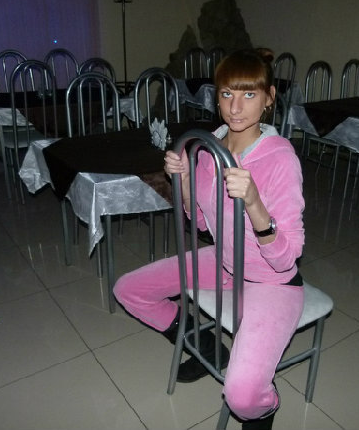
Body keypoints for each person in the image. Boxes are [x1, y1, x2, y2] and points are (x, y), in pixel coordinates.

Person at [114, 48, 305, 430]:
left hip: (273, 281)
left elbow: (287, 258)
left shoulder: (280, 157)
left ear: (269, 98)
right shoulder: (208, 147)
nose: (235, 107)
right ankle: (206, 344)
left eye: (249, 94)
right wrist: (184, 179)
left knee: (243, 397)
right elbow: (200, 222)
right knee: (129, 290)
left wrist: (255, 203)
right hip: (225, 261)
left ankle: (264, 409)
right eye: (227, 94)